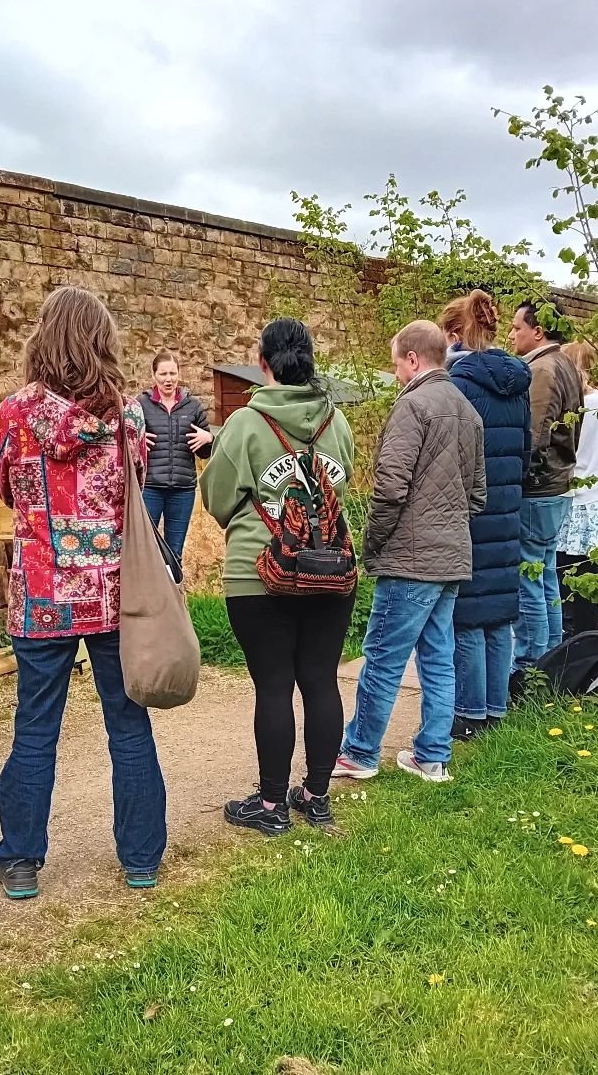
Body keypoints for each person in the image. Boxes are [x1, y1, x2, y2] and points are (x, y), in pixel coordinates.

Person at [0, 286, 166, 899]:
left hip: (40, 592)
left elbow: (7, 491)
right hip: (115, 594)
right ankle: (140, 858)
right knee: (129, 724)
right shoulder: (130, 415)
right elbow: (135, 487)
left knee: (36, 727)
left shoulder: (14, 413)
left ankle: (20, 860)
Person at [201, 318, 356, 835]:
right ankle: (315, 798)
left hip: (257, 572)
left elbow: (219, 498)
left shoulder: (245, 424)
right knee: (320, 681)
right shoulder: (337, 423)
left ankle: (270, 808)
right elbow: (344, 483)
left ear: (263, 364)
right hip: (330, 571)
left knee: (272, 687)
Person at [334, 320, 485, 783]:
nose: (395, 371)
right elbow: (477, 494)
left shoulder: (412, 407)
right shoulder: (468, 411)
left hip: (410, 559)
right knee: (439, 656)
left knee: (383, 655)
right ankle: (432, 755)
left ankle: (360, 751)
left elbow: (389, 488)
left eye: (397, 362)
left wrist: (373, 542)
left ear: (413, 360)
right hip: (452, 555)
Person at [442, 292, 532, 741]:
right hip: (508, 505)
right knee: (498, 614)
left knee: (469, 614)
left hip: (469, 509)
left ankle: (469, 713)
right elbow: (526, 448)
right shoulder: (519, 384)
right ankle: (496, 707)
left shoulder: (457, 384)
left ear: (453, 335)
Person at [508, 299, 584, 674]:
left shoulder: (542, 369)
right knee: (546, 574)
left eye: (516, 328)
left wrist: (512, 476)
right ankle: (554, 656)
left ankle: (531, 664)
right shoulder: (567, 363)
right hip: (557, 484)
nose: (510, 335)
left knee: (529, 579)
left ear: (538, 331)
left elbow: (533, 436)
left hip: (538, 489)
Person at [556, 341, 598, 637]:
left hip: (575, 500)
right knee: (592, 585)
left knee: (566, 580)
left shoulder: (581, 405)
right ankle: (590, 644)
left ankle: (567, 650)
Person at [138, 354, 212, 565]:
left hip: (182, 490)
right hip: (149, 488)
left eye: (172, 373)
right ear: (154, 375)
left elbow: (204, 452)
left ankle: (174, 596)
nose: (168, 379)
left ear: (179, 374)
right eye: (163, 374)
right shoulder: (140, 405)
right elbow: (124, 444)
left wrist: (209, 438)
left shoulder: (193, 407)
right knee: (146, 550)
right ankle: (148, 597)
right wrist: (137, 441)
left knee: (174, 552)